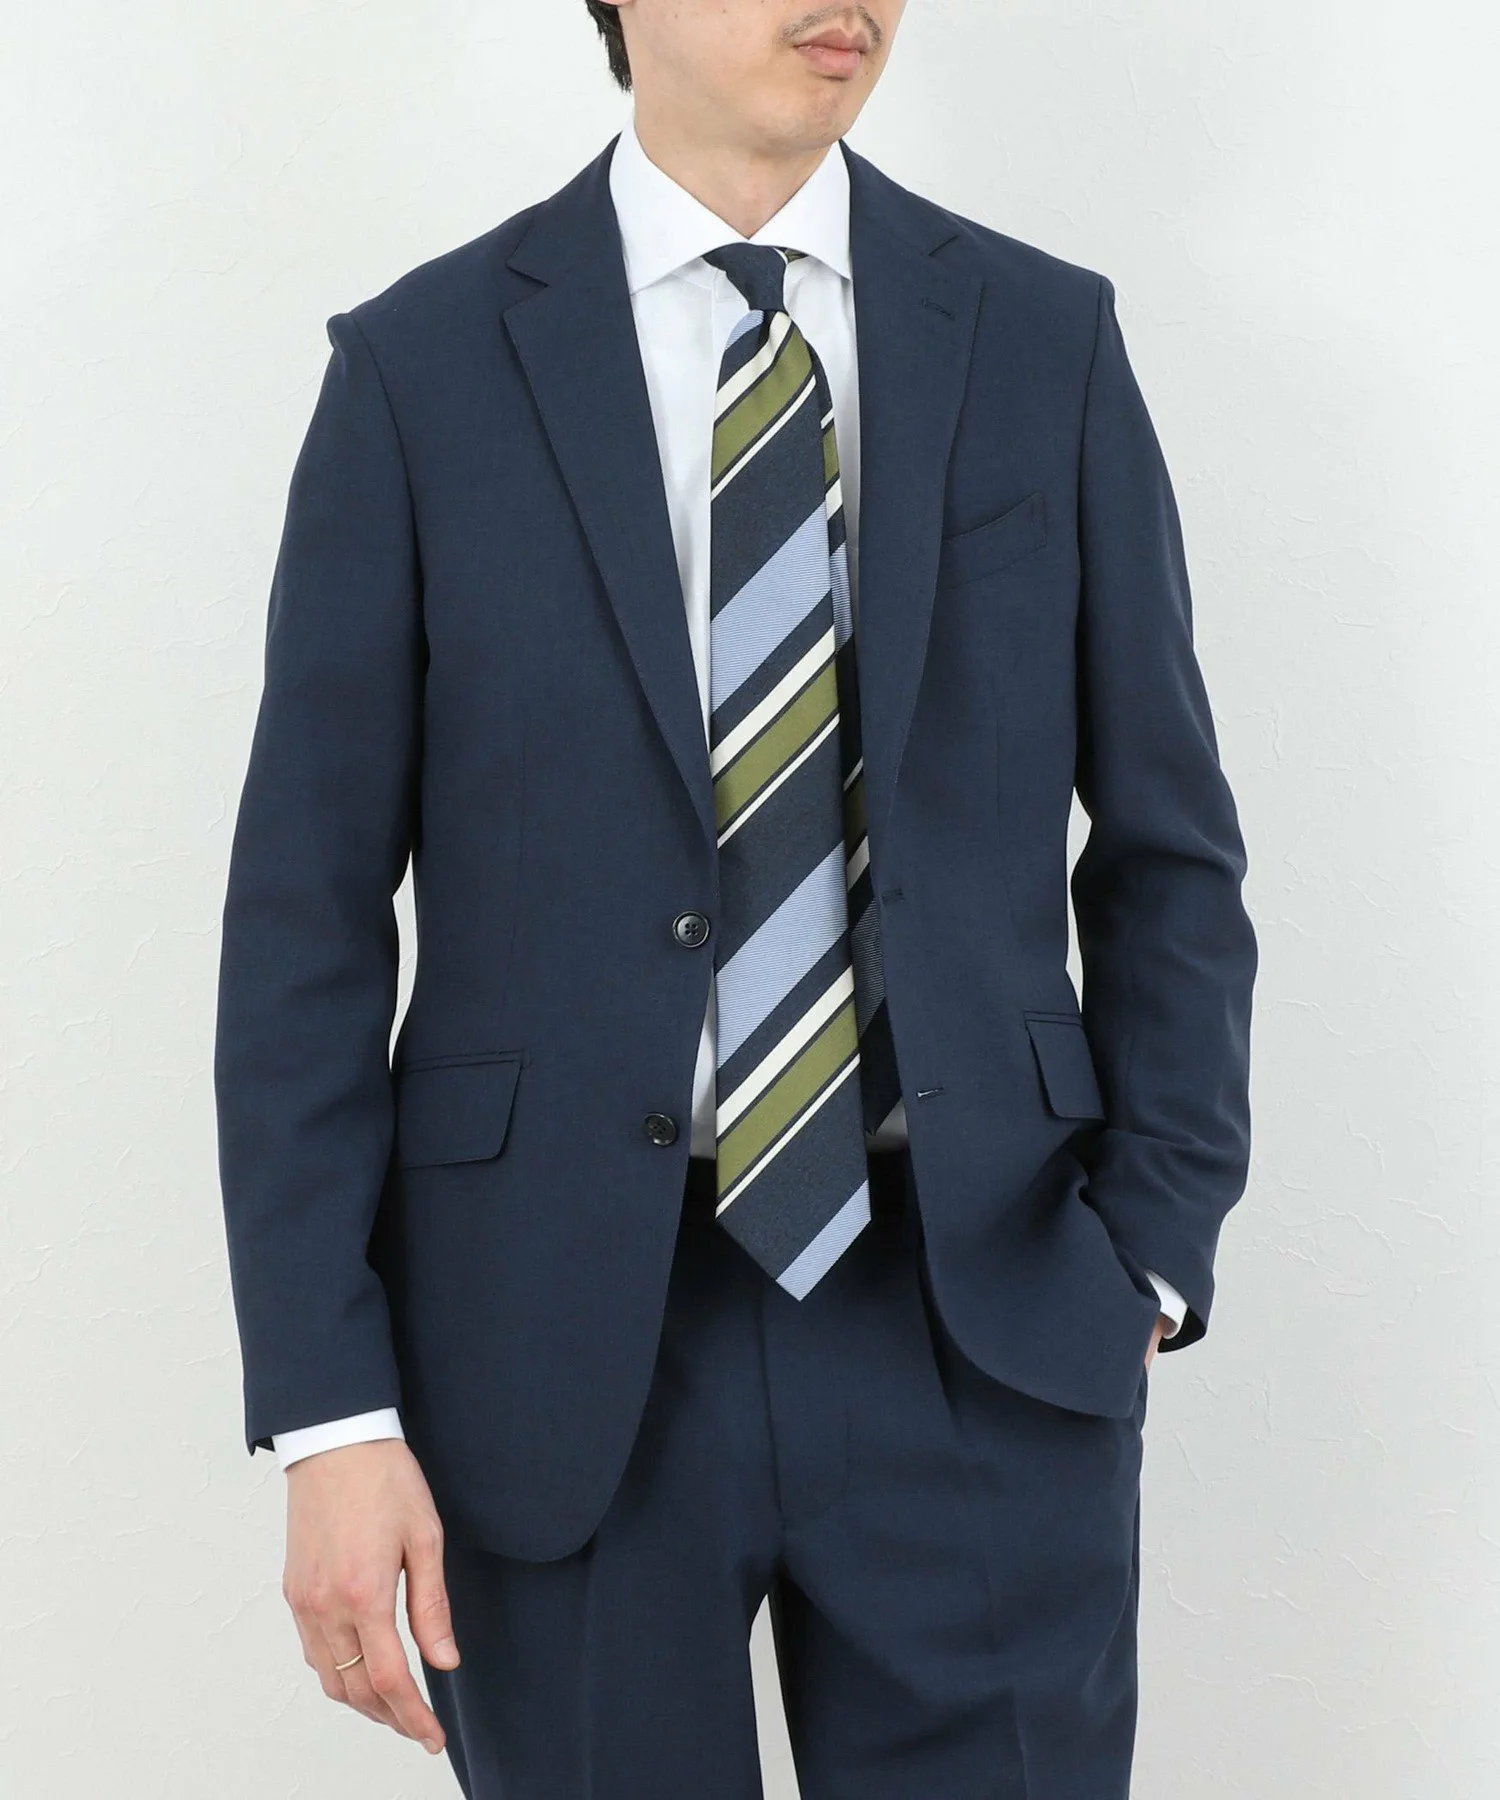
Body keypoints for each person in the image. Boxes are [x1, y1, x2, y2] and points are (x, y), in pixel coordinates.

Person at [214, 3, 1257, 1794]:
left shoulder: (1042, 338)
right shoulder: (421, 370)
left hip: (982, 1317)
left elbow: (1170, 846)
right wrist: (330, 1410)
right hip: (550, 1342)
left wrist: (1150, 1247)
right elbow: (304, 921)